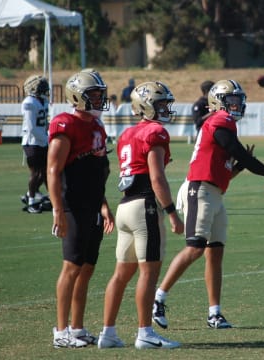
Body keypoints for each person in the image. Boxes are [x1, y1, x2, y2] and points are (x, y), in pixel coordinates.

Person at [153, 79, 264, 330]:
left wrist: (243, 164)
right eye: (231, 100)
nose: (236, 105)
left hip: (213, 194)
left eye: (238, 100)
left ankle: (214, 313)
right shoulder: (219, 122)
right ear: (218, 102)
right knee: (195, 248)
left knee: (215, 252)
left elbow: (226, 171)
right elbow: (237, 151)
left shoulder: (222, 126)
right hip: (199, 190)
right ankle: (157, 299)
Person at [98, 81, 184, 350]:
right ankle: (145, 333)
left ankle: (108, 333)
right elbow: (157, 177)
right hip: (144, 206)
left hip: (124, 206)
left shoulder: (127, 133)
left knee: (121, 274)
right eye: (160, 104)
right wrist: (172, 212)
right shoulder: (155, 132)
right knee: (149, 273)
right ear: (146, 106)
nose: (165, 109)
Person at [47, 70, 115, 348]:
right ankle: (60, 330)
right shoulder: (65, 124)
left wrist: (104, 206)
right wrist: (57, 210)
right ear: (78, 97)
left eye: (100, 94)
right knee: (71, 267)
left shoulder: (97, 127)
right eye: (93, 94)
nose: (99, 99)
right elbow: (53, 170)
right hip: (72, 206)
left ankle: (77, 328)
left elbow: (96, 174)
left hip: (92, 206)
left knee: (86, 269)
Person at [20, 75, 50, 213]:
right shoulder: (29, 102)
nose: (45, 89)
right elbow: (32, 127)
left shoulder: (43, 101)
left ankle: (45, 197)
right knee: (37, 172)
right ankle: (31, 202)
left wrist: (46, 136)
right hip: (32, 142)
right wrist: (44, 139)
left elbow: (44, 123)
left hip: (42, 140)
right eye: (42, 87)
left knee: (45, 172)